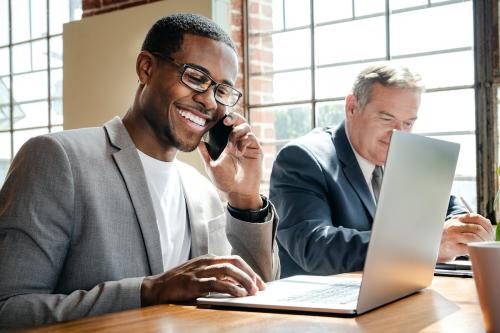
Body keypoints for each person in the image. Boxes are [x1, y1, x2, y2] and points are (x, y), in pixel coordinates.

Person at [0, 13, 280, 329]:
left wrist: (244, 199)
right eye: (196, 77)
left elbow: (256, 293)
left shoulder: (201, 190)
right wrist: (149, 290)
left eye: (222, 90)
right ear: (146, 68)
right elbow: (9, 310)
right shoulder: (56, 159)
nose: (208, 101)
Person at [270, 63, 494, 278]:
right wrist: (425, 245)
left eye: (408, 123)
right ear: (352, 107)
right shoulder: (303, 159)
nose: (399, 134)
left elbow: (447, 206)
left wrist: (463, 228)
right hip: (320, 307)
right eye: (387, 118)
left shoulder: (405, 155)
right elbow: (316, 247)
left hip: (390, 298)